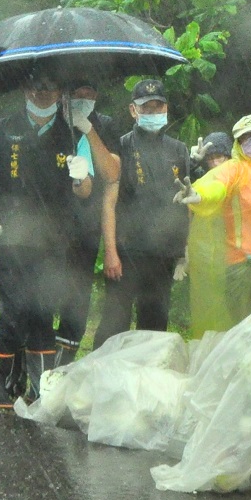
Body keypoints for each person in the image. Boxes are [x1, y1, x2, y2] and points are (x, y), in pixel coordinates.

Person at [0, 74, 100, 408]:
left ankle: (40, 389)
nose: (42, 94)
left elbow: (86, 190)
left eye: (50, 88)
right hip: (11, 238)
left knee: (41, 311)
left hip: (56, 241)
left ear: (59, 93)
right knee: (12, 311)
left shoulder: (71, 134)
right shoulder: (0, 129)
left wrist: (81, 177)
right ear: (25, 89)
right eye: (36, 87)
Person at [96, 79, 190, 343]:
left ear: (166, 108)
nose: (152, 113)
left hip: (164, 253)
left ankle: (148, 379)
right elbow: (109, 203)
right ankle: (106, 375)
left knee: (155, 325)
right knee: (115, 323)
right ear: (133, 111)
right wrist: (111, 251)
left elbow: (186, 204)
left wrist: (185, 251)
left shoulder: (178, 149)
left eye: (157, 107)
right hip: (127, 251)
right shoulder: (122, 147)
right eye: (145, 108)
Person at [180, 115, 251, 325]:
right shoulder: (236, 168)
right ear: (238, 145)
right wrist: (199, 195)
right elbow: (216, 184)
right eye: (245, 138)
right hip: (242, 263)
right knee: (245, 326)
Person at [54, 80, 122, 364]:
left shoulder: (104, 124)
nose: (84, 97)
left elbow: (112, 173)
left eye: (90, 92)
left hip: (85, 229)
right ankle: (32, 362)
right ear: (65, 94)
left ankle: (63, 364)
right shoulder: (50, 122)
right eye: (78, 92)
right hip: (47, 226)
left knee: (77, 299)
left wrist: (88, 130)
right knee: (41, 296)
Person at [182, 132, 236, 335]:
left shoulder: (240, 176)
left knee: (229, 303)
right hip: (204, 252)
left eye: (219, 157)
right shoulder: (201, 180)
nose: (214, 163)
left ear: (229, 156)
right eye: (210, 159)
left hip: (233, 251)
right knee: (205, 301)